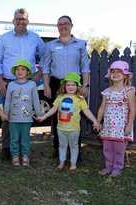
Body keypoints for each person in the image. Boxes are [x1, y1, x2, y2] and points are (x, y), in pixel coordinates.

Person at [0, 8, 45, 161]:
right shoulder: (4, 38)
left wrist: (39, 74)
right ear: (13, 21)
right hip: (8, 81)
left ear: (28, 21)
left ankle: (24, 150)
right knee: (8, 115)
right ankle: (7, 150)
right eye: (18, 18)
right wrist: (0, 80)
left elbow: (45, 56)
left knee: (25, 113)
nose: (20, 21)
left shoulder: (35, 38)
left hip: (29, 82)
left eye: (23, 19)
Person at [42, 15, 90, 159]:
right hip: (57, 83)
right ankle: (58, 149)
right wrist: (46, 86)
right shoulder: (50, 45)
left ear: (71, 25)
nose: (63, 26)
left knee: (76, 115)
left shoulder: (81, 44)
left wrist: (85, 85)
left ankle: (76, 151)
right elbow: (46, 67)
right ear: (57, 26)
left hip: (75, 84)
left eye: (66, 23)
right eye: (60, 23)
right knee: (58, 117)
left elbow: (85, 67)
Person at [37, 72, 100, 170]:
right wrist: (44, 116)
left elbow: (86, 111)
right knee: (62, 146)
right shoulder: (60, 97)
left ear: (78, 86)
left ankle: (73, 164)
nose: (71, 87)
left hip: (74, 129)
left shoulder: (80, 99)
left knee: (74, 146)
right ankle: (62, 162)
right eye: (68, 84)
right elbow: (53, 109)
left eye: (73, 84)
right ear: (64, 86)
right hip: (61, 128)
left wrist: (95, 121)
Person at [97, 60, 135, 177]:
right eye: (113, 71)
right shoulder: (107, 92)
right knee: (107, 148)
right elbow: (102, 107)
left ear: (125, 75)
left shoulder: (128, 91)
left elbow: (133, 109)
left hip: (121, 126)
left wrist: (129, 125)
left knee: (119, 149)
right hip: (108, 126)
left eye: (119, 72)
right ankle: (109, 166)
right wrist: (98, 122)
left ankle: (118, 167)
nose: (115, 74)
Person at [4, 60, 43, 166]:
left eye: (23, 69)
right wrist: (5, 113)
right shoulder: (11, 85)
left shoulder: (32, 85)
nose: (19, 71)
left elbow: (36, 100)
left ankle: (25, 156)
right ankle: (15, 156)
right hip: (13, 119)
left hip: (27, 119)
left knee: (25, 139)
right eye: (17, 69)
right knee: (14, 139)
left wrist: (39, 114)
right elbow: (7, 100)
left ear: (28, 72)